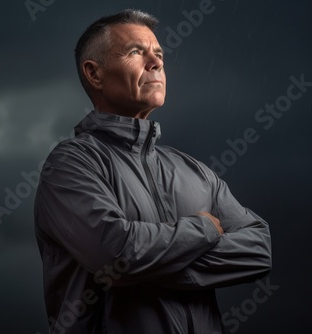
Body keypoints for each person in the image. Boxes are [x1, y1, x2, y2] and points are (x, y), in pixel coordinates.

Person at [34, 9, 271, 334]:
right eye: (136, 52)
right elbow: (114, 254)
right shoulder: (70, 163)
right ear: (95, 74)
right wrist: (203, 230)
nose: (156, 63)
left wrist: (149, 267)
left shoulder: (196, 171)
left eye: (158, 54)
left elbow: (259, 250)